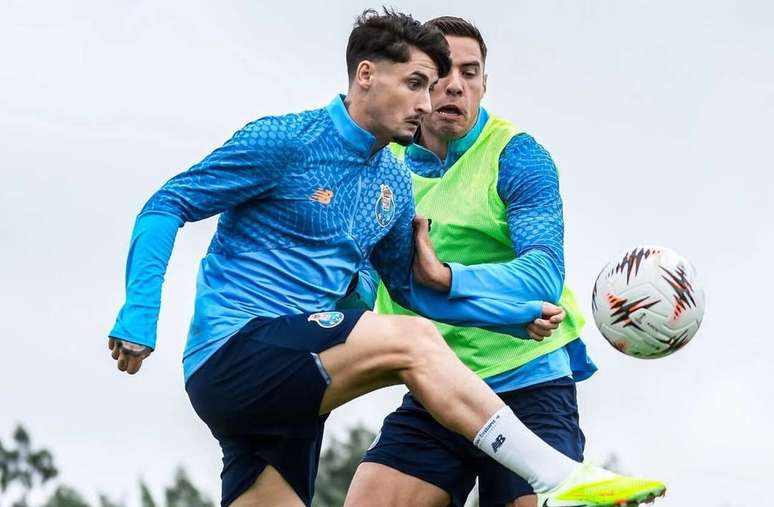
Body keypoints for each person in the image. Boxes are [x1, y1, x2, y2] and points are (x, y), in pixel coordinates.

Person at [107, 9, 654, 507]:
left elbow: (412, 290)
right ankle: (557, 476)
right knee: (414, 342)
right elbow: (166, 205)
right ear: (366, 74)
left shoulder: (393, 178)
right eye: (417, 84)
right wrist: (139, 313)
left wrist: (509, 317)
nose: (428, 102)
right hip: (237, 353)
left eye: (437, 85)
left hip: (294, 386)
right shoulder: (286, 139)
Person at [344, 16, 666, 507]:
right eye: (443, 72)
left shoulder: (517, 156)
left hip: (530, 384)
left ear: (484, 83)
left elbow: (543, 277)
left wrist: (447, 277)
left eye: (470, 73)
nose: (456, 85)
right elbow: (365, 281)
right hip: (438, 389)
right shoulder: (384, 169)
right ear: (418, 83)